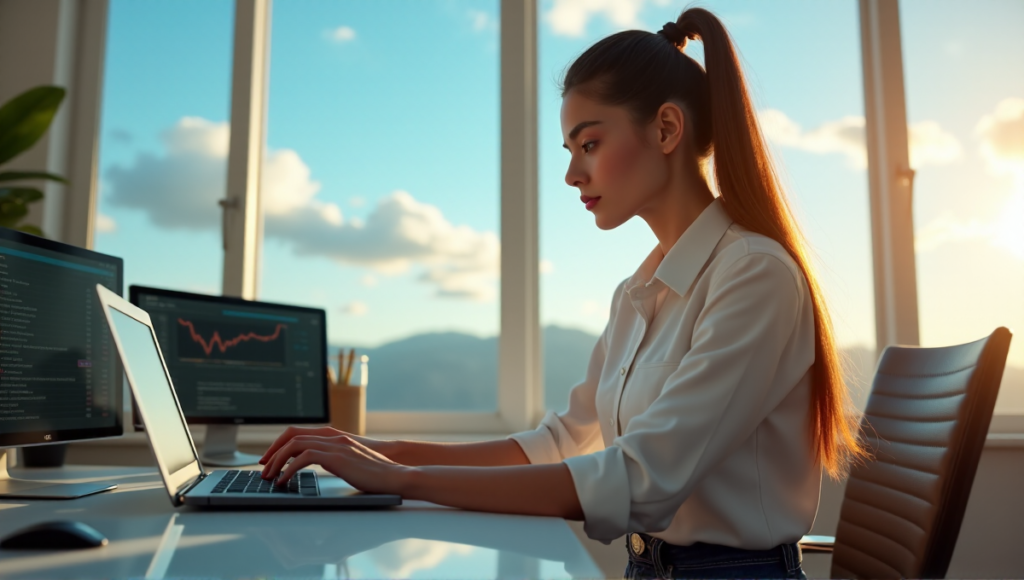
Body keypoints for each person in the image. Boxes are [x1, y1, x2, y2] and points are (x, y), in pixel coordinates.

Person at [259, 7, 865, 579]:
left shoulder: (755, 276)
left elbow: (640, 478)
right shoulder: (639, 292)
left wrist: (403, 479)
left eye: (590, 144)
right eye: (571, 151)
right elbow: (557, 445)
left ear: (667, 128)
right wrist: (373, 452)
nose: (573, 174)